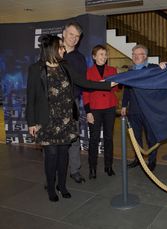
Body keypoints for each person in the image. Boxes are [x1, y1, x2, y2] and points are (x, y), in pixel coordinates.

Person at [26, 35, 116, 202]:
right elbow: (30, 98)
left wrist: (107, 84)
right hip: (47, 122)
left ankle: (62, 185)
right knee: (51, 155)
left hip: (66, 119)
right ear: (52, 48)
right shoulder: (36, 69)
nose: (64, 49)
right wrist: (31, 122)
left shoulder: (65, 66)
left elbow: (84, 82)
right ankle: (51, 187)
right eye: (61, 47)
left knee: (63, 155)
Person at [121, 44, 164, 171]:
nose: (134, 56)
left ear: (145, 56)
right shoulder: (130, 71)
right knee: (136, 137)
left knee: (151, 137)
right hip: (134, 110)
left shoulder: (153, 68)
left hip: (149, 111)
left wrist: (162, 68)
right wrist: (124, 105)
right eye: (133, 54)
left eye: (137, 54)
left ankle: (152, 161)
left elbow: (166, 76)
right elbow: (127, 90)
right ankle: (138, 159)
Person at [83, 45, 118, 179]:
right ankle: (92, 169)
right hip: (95, 109)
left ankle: (108, 166)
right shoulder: (88, 72)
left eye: (105, 54)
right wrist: (88, 112)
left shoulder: (113, 70)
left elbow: (116, 90)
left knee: (109, 138)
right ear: (94, 57)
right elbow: (85, 93)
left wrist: (116, 83)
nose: (104, 57)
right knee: (94, 139)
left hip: (109, 108)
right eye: (101, 54)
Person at [62, 22, 87, 183]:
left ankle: (75, 170)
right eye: (71, 34)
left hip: (73, 103)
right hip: (52, 104)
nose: (74, 39)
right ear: (64, 33)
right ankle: (53, 174)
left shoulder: (80, 58)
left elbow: (82, 82)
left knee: (74, 138)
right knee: (53, 141)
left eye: (77, 36)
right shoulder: (53, 53)